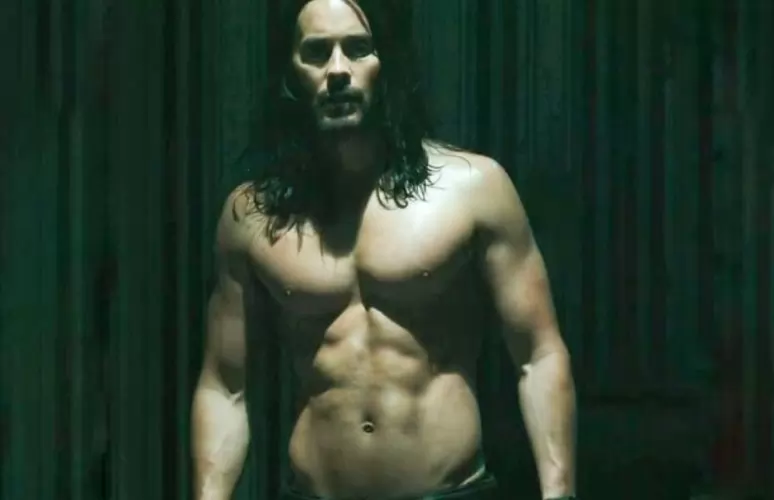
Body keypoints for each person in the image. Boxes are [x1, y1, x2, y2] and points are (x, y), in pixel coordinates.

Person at [191, 0, 577, 499]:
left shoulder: (473, 189)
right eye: (316, 52)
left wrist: (560, 492)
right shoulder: (252, 216)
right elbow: (224, 386)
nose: (337, 70)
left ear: (387, 62)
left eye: (357, 49)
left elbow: (538, 354)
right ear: (290, 72)